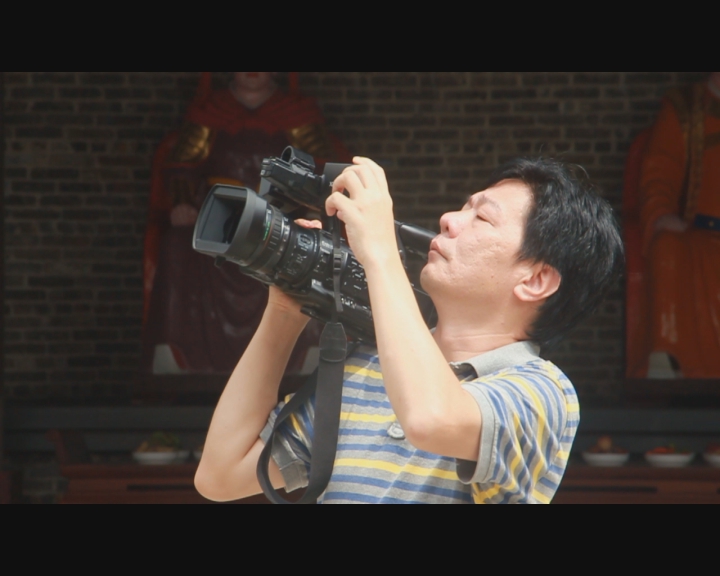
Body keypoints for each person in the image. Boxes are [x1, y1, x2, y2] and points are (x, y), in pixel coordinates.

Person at [194, 156, 623, 504]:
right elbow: (221, 476)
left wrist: (380, 252)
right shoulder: (365, 367)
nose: (449, 219)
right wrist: (285, 311)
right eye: (463, 207)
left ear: (535, 280)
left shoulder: (541, 391)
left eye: (482, 218)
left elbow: (430, 418)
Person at [142, 72, 347, 374]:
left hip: (280, 217)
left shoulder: (295, 113)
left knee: (313, 247)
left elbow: (320, 170)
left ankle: (309, 351)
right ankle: (177, 352)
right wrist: (183, 203)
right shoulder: (211, 112)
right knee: (177, 245)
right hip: (222, 217)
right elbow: (182, 165)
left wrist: (315, 209)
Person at [636, 72, 720, 378]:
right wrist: (662, 212)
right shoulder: (684, 107)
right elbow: (661, 168)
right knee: (667, 248)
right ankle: (668, 356)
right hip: (700, 236)